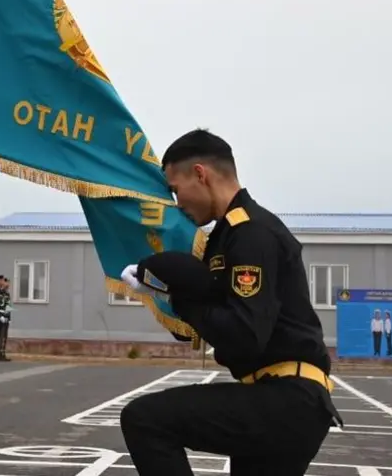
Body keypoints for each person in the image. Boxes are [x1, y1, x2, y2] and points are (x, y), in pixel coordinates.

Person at [117, 128, 341, 475]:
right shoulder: (226, 237)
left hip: (287, 399)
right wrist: (168, 291)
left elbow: (244, 333)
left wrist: (180, 298)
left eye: (176, 191)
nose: (178, 204)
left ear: (200, 174)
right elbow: (218, 316)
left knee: (145, 419)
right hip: (280, 397)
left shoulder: (251, 233)